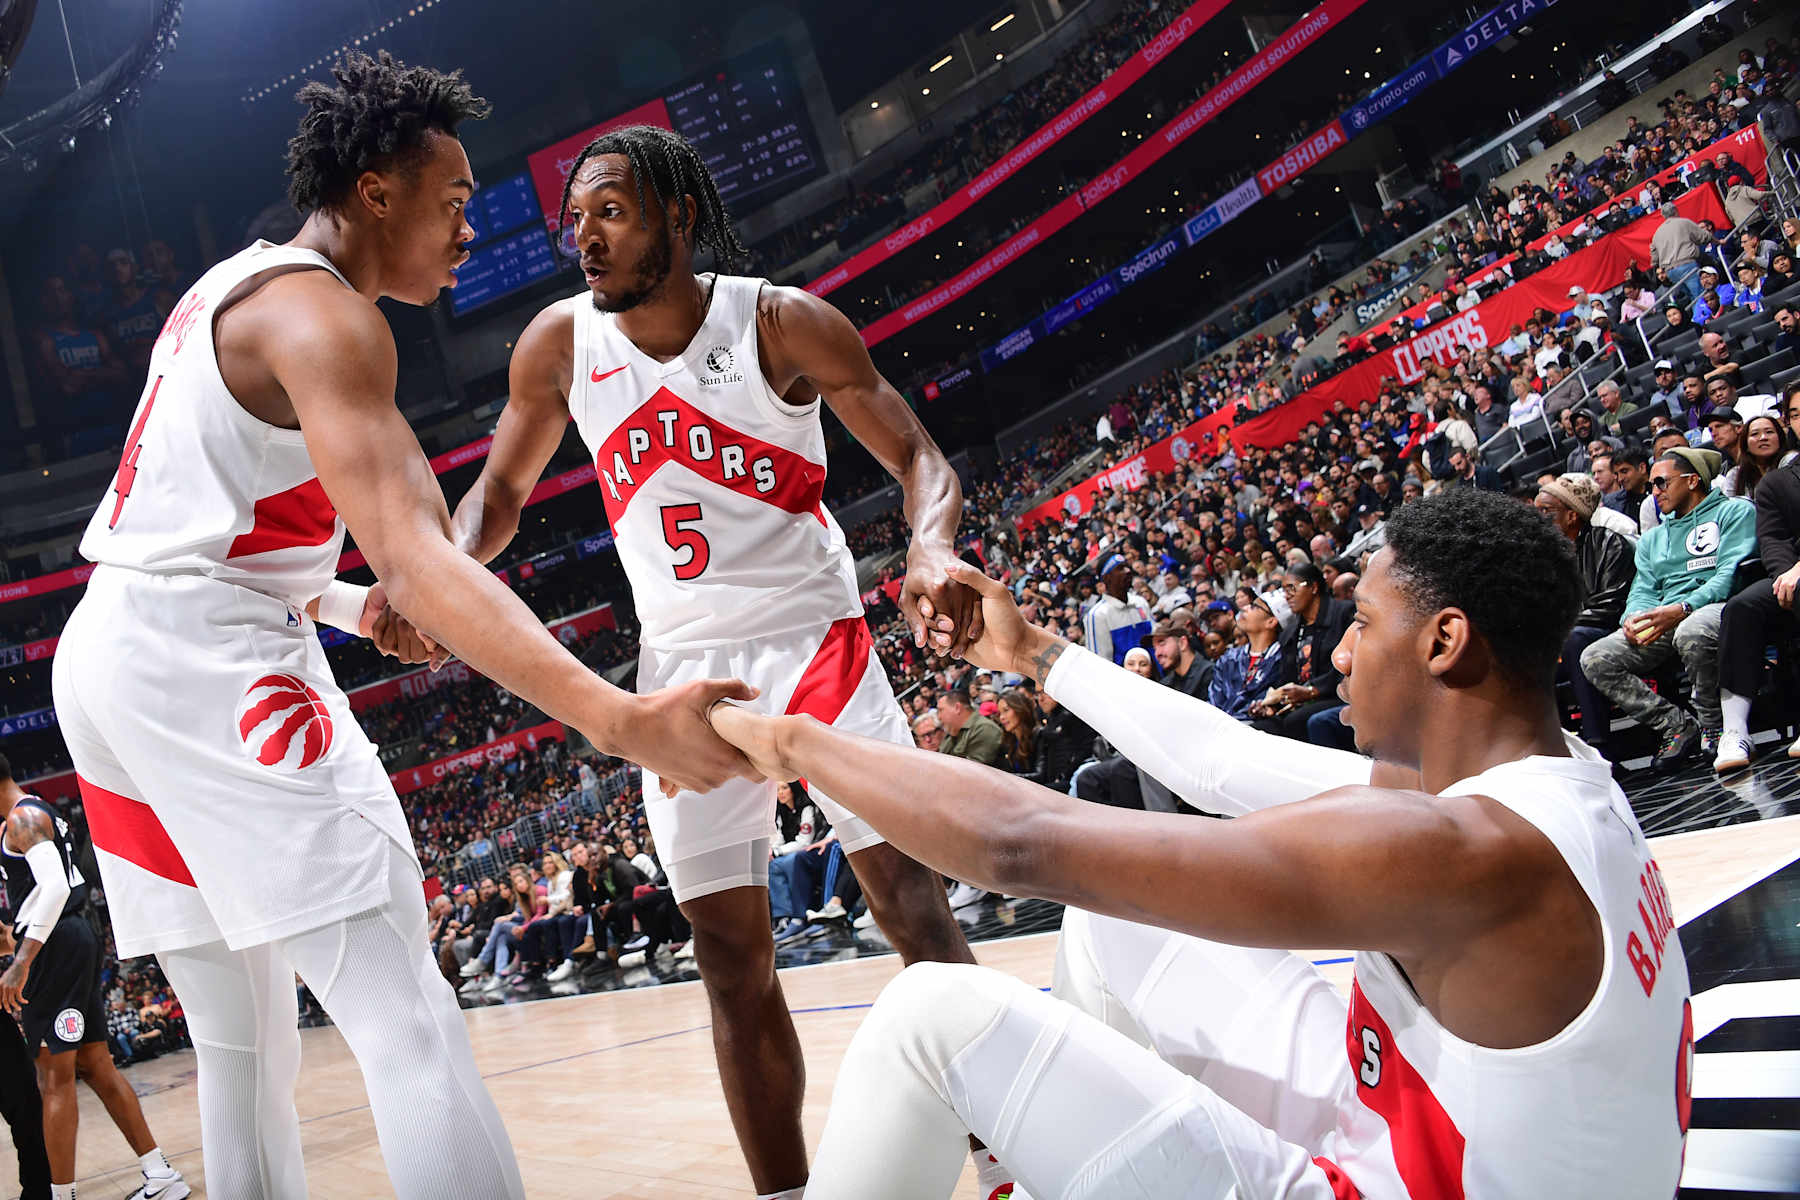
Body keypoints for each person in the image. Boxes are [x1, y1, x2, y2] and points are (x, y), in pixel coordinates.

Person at [48, 56, 763, 1200]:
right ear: (378, 193)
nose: (473, 229)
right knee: (407, 1014)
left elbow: (194, 536)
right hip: (199, 661)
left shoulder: (228, 289)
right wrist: (620, 718)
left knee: (243, 1042)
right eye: (456, 201)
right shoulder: (329, 320)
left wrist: (341, 604)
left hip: (111, 658)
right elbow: (422, 560)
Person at [705, 488, 1692, 1200]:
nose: (1342, 648)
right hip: (1430, 1143)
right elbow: (1222, 761)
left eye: (1365, 622)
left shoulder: (1461, 851)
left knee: (928, 1012)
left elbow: (1019, 845)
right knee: (1110, 924)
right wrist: (1032, 653)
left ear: (1443, 643)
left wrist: (791, 741)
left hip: (1399, 1178)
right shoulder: (1536, 790)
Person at [445, 122, 978, 1196]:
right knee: (731, 961)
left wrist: (929, 544)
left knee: (910, 908)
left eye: (611, 212)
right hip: (681, 673)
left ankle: (1006, 1157)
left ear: (676, 217)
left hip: (811, 640)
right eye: (577, 220)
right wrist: (440, 570)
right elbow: (497, 499)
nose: (585, 239)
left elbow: (917, 453)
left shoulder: (779, 322)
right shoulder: (558, 346)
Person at [0, 757, 187, 1200]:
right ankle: (159, 1174)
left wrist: (22, 960)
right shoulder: (29, 815)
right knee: (96, 1065)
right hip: (68, 941)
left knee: (54, 1078)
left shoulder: (24, 817)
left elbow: (57, 888)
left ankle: (60, 1195)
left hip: (54, 948)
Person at [1580, 447, 1757, 769]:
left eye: (1661, 483)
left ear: (1691, 481)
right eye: (1651, 486)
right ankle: (1676, 726)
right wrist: (1633, 619)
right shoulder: (1653, 537)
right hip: (1664, 615)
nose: (1654, 492)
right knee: (1595, 657)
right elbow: (1643, 589)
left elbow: (1728, 575)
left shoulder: (1735, 512)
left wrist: (1683, 607)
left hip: (1717, 606)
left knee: (1692, 630)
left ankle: (1713, 726)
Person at [1715, 386, 1800, 771]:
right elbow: (1774, 538)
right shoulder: (1777, 482)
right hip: (1794, 571)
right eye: (1797, 414)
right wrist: (1785, 574)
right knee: (1742, 607)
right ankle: (1734, 731)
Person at [1533, 477, 1635, 752]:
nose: (1538, 519)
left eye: (1546, 511)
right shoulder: (1539, 558)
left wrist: (1557, 632)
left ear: (1571, 515)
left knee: (1576, 641)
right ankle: (1556, 750)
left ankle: (1597, 744)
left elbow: (1611, 603)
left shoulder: (1610, 545)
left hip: (1606, 631)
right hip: (1560, 640)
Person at [1254, 563, 1352, 741]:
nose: (1286, 596)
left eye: (1291, 588)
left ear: (1314, 587)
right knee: (1258, 728)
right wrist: (1273, 704)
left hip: (1336, 695)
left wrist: (1312, 691)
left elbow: (1349, 667)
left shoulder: (1343, 613)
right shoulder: (1290, 633)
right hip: (1301, 702)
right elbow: (1286, 678)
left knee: (1296, 721)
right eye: (1284, 590)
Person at [1211, 591, 1293, 722]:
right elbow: (1214, 700)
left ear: (1271, 621)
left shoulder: (1282, 660)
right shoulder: (1229, 658)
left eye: (1254, 607)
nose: (1244, 608)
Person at [1081, 554, 1153, 665]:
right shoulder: (1097, 615)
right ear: (1106, 578)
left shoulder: (1140, 602)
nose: (1128, 571)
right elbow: (1101, 664)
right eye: (1120, 569)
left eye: (1127, 566)